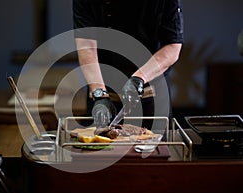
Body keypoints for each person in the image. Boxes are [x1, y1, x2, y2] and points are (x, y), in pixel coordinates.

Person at [73, 0, 184, 129]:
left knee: (153, 146)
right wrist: (100, 95)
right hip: (103, 90)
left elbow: (172, 47)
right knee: (100, 146)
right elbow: (86, 47)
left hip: (151, 94)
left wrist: (138, 78)